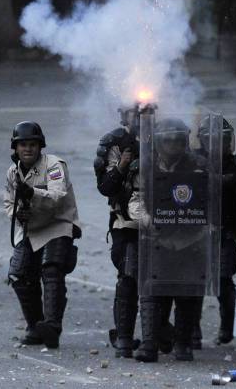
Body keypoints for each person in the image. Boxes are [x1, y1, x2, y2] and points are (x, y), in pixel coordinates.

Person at [94, 102, 172, 358]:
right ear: (124, 115)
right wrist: (122, 164)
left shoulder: (165, 138)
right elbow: (106, 187)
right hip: (126, 223)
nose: (140, 118)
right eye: (135, 112)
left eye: (146, 113)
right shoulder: (115, 143)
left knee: (162, 280)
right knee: (129, 277)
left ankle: (158, 334)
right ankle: (125, 338)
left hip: (165, 222)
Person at [130, 118, 212, 363]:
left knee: (187, 293)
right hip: (156, 238)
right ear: (157, 141)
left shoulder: (199, 166)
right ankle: (150, 343)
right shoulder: (144, 166)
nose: (174, 144)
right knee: (154, 293)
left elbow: (211, 201)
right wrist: (146, 220)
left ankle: (183, 343)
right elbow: (135, 199)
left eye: (179, 139)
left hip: (191, 238)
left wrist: (199, 222)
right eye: (168, 139)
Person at [4, 121, 81, 349]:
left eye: (32, 144)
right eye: (23, 145)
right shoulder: (12, 173)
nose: (28, 149)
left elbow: (57, 196)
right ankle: (36, 327)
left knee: (52, 269)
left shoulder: (54, 165)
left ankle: (52, 326)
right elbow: (8, 204)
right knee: (19, 275)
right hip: (30, 229)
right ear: (15, 149)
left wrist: (33, 193)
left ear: (40, 146)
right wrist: (19, 213)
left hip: (57, 225)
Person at [191, 117, 236, 348]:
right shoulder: (192, 160)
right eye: (215, 140)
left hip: (224, 231)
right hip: (194, 232)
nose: (220, 145)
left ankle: (227, 328)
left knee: (224, 280)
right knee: (193, 284)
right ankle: (192, 331)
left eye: (224, 140)